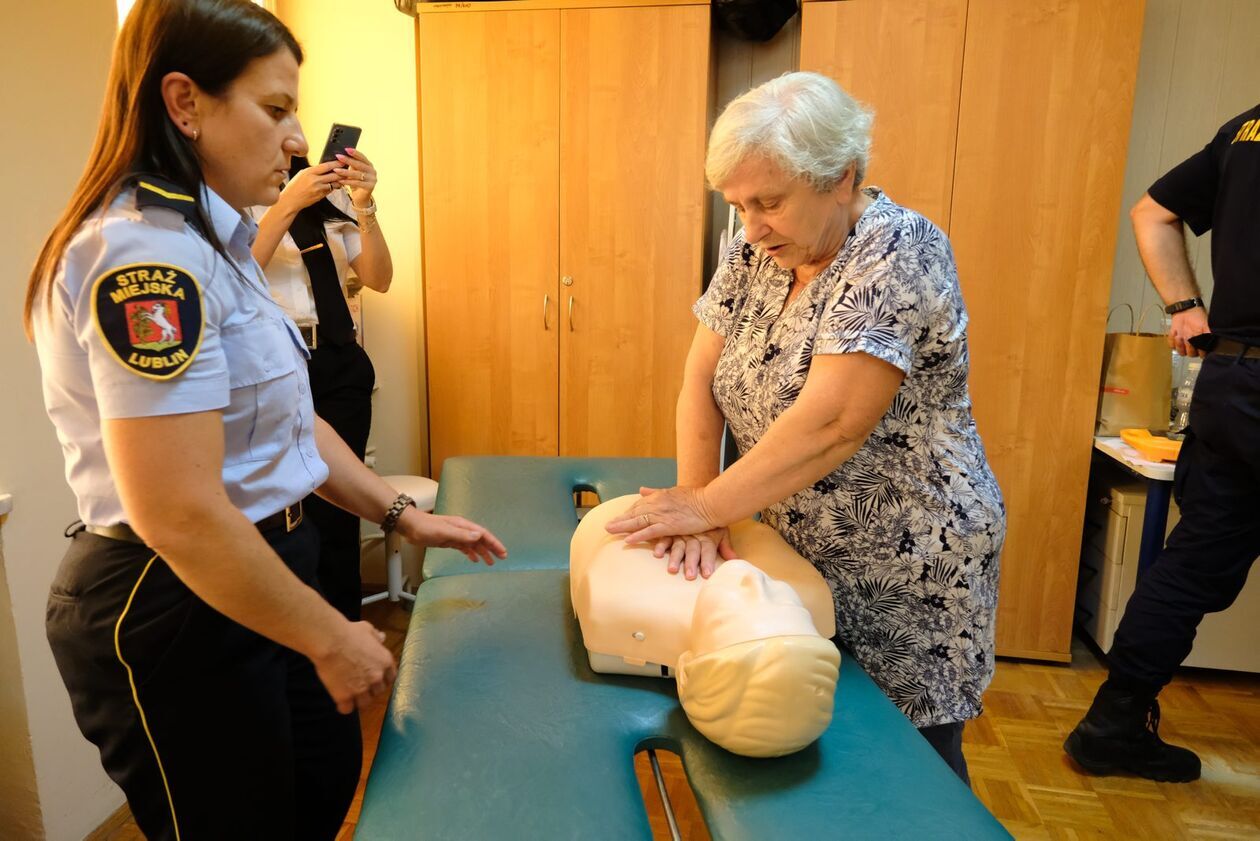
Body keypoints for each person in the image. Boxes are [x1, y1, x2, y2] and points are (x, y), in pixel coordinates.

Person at [23, 2, 505, 838]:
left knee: (319, 785)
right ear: (186, 103)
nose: (298, 137)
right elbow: (176, 508)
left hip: (264, 560)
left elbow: (292, 423)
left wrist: (401, 515)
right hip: (172, 590)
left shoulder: (218, 243)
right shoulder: (143, 257)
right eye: (277, 108)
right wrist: (331, 634)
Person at [605, 71, 1004, 785]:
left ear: (842, 177)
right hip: (795, 549)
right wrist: (699, 506)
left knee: (906, 772)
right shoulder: (755, 249)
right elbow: (702, 378)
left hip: (907, 559)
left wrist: (704, 506)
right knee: (805, 764)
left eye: (769, 203)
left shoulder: (899, 249)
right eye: (738, 205)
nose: (751, 226)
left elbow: (831, 424)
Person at [1063, 104, 1260, 783]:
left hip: (1235, 378)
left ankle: (1112, 723)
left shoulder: (1246, 128)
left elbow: (1151, 210)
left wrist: (1185, 309)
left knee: (1193, 563)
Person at [571, 496, 840, 758]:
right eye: (791, 607)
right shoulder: (809, 593)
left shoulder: (620, 598)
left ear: (685, 670)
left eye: (730, 614)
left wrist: (704, 507)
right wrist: (700, 502)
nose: (753, 580)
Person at [250, 148, 391, 621]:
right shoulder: (240, 198)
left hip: (338, 360)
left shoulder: (331, 201)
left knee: (340, 511)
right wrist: (287, 204)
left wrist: (364, 203)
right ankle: (304, 636)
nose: (291, 137)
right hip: (278, 363)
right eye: (276, 114)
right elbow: (237, 276)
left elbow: (378, 278)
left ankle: (345, 627)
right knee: (289, 510)